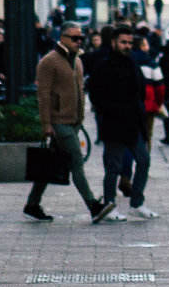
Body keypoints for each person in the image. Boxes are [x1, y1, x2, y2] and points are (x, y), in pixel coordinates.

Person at [24, 22, 114, 225]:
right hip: (59, 123)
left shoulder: (78, 61)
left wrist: (80, 118)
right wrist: (47, 124)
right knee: (76, 162)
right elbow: (44, 95)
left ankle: (32, 204)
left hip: (73, 121)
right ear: (62, 38)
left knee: (50, 163)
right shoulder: (49, 62)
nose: (79, 41)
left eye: (81, 37)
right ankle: (93, 206)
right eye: (74, 38)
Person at [91, 28, 157, 220]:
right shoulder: (104, 66)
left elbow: (141, 90)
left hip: (134, 123)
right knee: (114, 167)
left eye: (129, 43)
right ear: (114, 42)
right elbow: (96, 95)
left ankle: (137, 202)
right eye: (123, 42)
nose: (127, 46)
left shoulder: (132, 64)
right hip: (114, 124)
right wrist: (112, 110)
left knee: (143, 160)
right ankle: (110, 205)